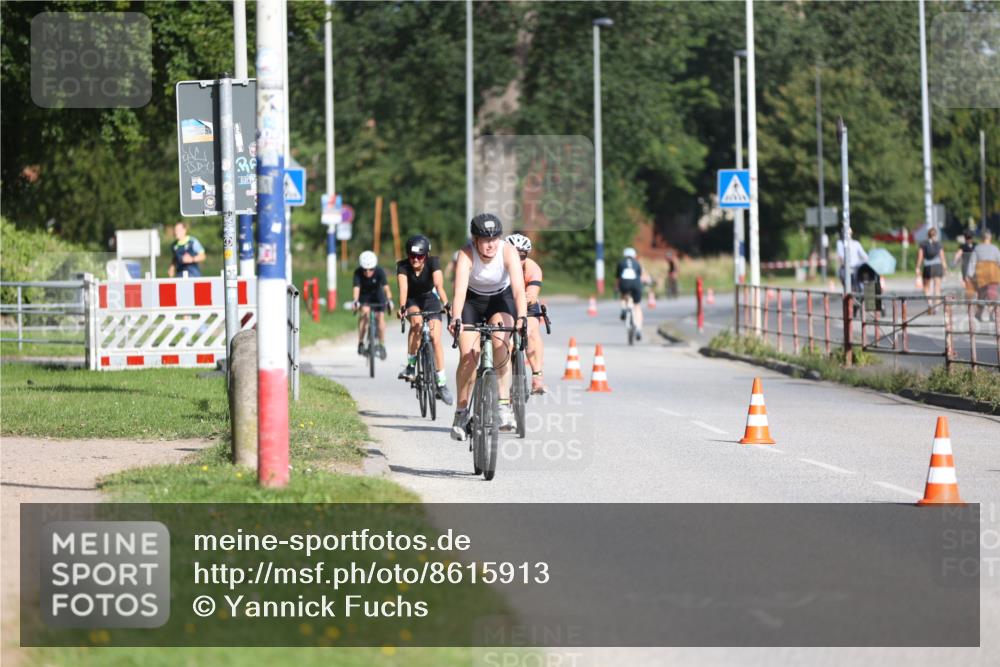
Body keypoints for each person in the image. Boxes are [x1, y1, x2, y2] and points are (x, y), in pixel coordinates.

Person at [448, 213, 528, 439]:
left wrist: (521, 317)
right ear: (475, 240)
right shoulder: (466, 254)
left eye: (494, 238)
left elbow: (519, 290)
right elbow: (460, 292)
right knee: (468, 356)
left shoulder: (507, 251)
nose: (491, 243)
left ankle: (503, 405)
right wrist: (455, 318)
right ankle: (461, 413)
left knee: (501, 342)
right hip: (471, 303)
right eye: (485, 239)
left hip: (500, 301)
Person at [396, 234, 453, 406]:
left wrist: (446, 303)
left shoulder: (433, 262)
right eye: (412, 256)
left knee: (435, 339)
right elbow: (404, 289)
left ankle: (441, 384)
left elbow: (438, 285)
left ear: (426, 256)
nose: (415, 260)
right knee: (417, 324)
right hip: (412, 300)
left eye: (419, 256)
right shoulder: (402, 266)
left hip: (430, 298)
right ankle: (411, 365)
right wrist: (402, 307)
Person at [506, 233, 547, 395]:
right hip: (504, 303)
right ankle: (504, 387)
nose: (517, 259)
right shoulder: (498, 266)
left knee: (531, 332)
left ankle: (537, 376)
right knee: (504, 344)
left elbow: (532, 294)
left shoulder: (532, 268)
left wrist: (523, 302)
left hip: (526, 303)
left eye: (522, 255)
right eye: (513, 255)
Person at [352, 250, 393, 359]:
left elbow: (386, 288)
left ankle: (382, 344)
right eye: (365, 269)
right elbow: (356, 289)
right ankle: (360, 342)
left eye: (371, 269)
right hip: (364, 296)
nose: (368, 272)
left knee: (380, 318)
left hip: (378, 296)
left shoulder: (379, 271)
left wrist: (389, 300)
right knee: (364, 314)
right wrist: (355, 301)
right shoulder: (357, 273)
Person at [966, 229, 1000, 321]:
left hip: (981, 275)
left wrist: (969, 274)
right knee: (993, 295)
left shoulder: (977, 248)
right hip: (994, 275)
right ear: (990, 237)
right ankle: (992, 313)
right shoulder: (995, 248)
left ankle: (979, 314)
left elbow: (972, 262)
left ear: (981, 238)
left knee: (981, 295)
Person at [916, 227, 946, 314]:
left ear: (927, 235)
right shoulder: (939, 244)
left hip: (927, 266)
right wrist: (945, 268)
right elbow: (942, 257)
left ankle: (929, 303)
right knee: (937, 288)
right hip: (938, 266)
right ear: (935, 235)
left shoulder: (923, 244)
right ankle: (936, 307)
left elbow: (920, 257)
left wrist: (917, 267)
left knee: (926, 287)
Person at [616, 247, 644, 339]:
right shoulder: (637, 263)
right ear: (634, 256)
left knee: (623, 295)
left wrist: (616, 288)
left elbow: (618, 278)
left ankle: (624, 308)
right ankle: (639, 329)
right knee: (637, 306)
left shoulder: (621, 263)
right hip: (636, 284)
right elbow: (640, 277)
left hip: (624, 283)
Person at [952, 231, 977, 297]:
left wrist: (954, 263)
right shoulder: (975, 246)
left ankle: (971, 304)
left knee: (969, 286)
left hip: (967, 268)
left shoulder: (963, 246)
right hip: (973, 268)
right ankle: (974, 302)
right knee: (974, 286)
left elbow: (958, 255)